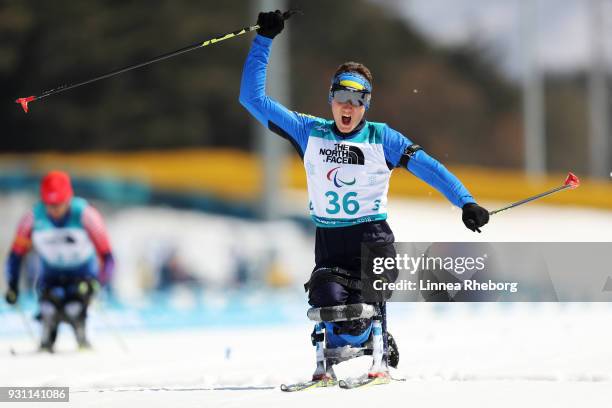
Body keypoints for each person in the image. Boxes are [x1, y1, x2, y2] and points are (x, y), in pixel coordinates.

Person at [239, 11, 490, 379]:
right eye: (342, 95)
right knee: (327, 303)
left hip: (374, 240)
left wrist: (465, 201)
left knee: (364, 305)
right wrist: (264, 40)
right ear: (331, 98)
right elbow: (252, 98)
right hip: (330, 242)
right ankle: (346, 348)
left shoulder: (382, 137)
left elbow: (429, 167)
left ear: (366, 105)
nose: (348, 106)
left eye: (358, 100)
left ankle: (377, 342)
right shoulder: (309, 132)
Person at [4, 170, 115, 352]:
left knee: (74, 307)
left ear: (68, 199)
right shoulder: (32, 218)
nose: (54, 210)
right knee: (48, 308)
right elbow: (16, 255)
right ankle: (46, 339)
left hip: (83, 273)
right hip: (51, 274)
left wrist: (100, 283)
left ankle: (83, 334)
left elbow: (107, 256)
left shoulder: (86, 215)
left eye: (59, 204)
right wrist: (12, 285)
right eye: (49, 205)